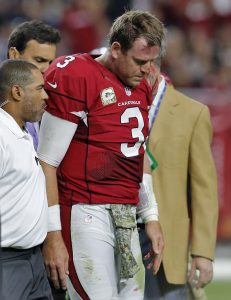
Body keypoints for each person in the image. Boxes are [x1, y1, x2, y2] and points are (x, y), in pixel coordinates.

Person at [38, 10, 166, 300]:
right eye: (140, 61)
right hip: (86, 211)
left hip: (127, 214)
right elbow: (46, 162)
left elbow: (138, 153)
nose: (147, 69)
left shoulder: (144, 80)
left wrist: (151, 215)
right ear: (116, 49)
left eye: (151, 61)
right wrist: (53, 235)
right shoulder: (76, 74)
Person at [139, 57, 218, 300]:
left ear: (150, 65)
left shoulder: (192, 112)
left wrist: (203, 252)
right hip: (118, 236)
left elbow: (204, 188)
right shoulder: (114, 103)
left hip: (167, 242)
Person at [0, 59, 51, 300]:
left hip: (34, 260)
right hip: (7, 263)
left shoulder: (22, 132)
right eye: (39, 88)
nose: (46, 97)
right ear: (17, 91)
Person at [7, 19, 61, 150]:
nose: (47, 69)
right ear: (14, 55)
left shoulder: (47, 101)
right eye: (39, 60)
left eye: (50, 63)